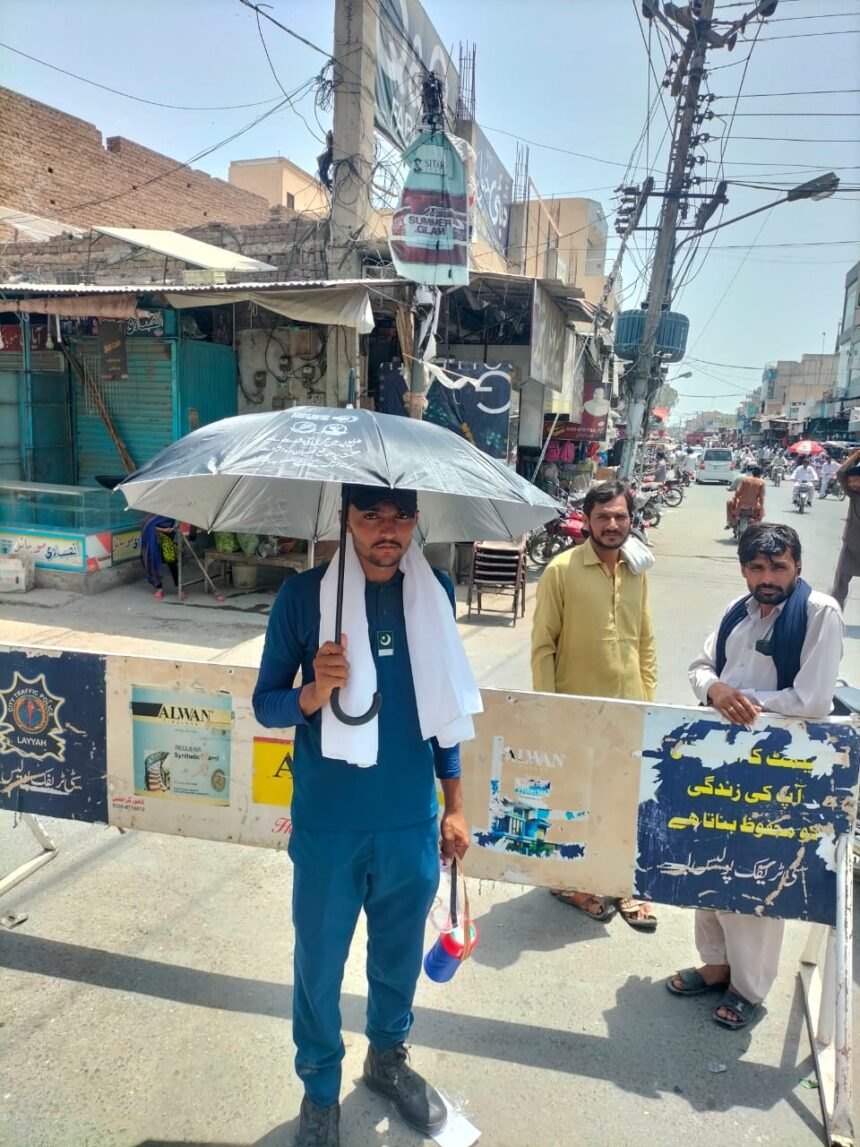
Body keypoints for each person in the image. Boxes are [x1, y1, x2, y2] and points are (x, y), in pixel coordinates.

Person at [253, 484, 475, 1147]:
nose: (387, 529)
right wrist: (314, 691)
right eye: (371, 514)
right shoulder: (303, 597)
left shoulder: (434, 591)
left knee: (398, 955)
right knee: (318, 966)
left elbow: (445, 706)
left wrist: (455, 804)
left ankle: (388, 1057)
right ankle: (321, 1088)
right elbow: (266, 703)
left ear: (414, 520)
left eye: (400, 515)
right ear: (347, 518)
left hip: (409, 817)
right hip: (330, 823)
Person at [668, 523, 843, 1029]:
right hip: (720, 763)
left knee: (758, 875)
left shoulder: (817, 614)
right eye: (758, 567)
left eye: (779, 567)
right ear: (745, 569)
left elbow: (811, 700)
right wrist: (715, 689)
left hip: (779, 770)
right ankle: (716, 965)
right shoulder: (734, 612)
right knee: (709, 865)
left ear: (798, 566)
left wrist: (740, 703)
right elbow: (701, 666)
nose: (768, 578)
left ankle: (748, 988)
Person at [531, 481, 658, 931]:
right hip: (575, 710)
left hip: (628, 708)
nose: (612, 524)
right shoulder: (561, 571)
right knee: (573, 797)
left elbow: (644, 640)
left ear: (630, 520)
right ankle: (569, 881)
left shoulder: (637, 571)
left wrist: (647, 697)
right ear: (587, 519)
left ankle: (620, 884)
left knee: (622, 799)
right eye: (603, 516)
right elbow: (543, 645)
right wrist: (549, 709)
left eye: (620, 516)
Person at [830, 449, 860, 608]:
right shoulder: (854, 496)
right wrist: (856, 456)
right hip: (851, 547)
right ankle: (833, 614)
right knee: (840, 586)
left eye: (856, 480)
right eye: (851, 482)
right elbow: (841, 473)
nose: (852, 484)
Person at [139, 514, 185, 600]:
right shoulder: (153, 512)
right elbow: (146, 524)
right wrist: (163, 529)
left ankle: (179, 588)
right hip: (152, 540)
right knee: (152, 562)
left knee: (172, 562)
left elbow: (175, 523)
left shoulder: (170, 511)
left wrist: (172, 529)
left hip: (166, 538)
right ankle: (159, 588)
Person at [725, 465, 765, 531]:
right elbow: (762, 497)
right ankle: (757, 526)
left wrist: (735, 499)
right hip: (754, 505)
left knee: (729, 503)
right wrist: (761, 509)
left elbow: (738, 492)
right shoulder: (762, 482)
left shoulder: (745, 479)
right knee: (760, 515)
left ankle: (730, 522)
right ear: (760, 474)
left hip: (741, 504)